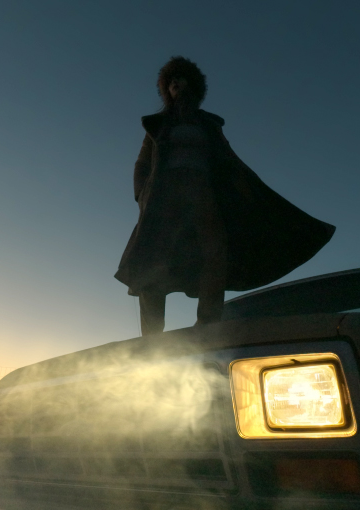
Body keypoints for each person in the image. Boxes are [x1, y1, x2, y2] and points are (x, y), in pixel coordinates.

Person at [115, 57, 335, 335]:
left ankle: (208, 322)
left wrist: (245, 188)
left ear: (192, 85)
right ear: (165, 90)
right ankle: (152, 335)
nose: (175, 84)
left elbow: (229, 158)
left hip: (202, 191)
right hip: (163, 196)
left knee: (215, 250)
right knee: (154, 259)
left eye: (180, 79)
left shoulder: (208, 125)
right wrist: (141, 194)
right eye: (170, 81)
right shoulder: (158, 125)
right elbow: (142, 164)